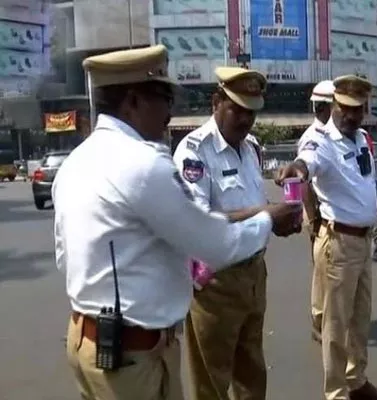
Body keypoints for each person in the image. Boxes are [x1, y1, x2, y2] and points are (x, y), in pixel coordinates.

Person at [54, 45, 299, 400]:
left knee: (249, 368)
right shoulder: (144, 164)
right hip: (132, 352)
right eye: (164, 97)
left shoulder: (77, 161)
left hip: (93, 339)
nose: (170, 112)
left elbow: (65, 256)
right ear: (133, 101)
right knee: (212, 381)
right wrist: (267, 219)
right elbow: (213, 242)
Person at [172, 67, 298, 400]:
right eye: (238, 109)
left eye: (252, 112)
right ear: (217, 102)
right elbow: (198, 219)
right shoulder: (193, 151)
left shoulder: (252, 147)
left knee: (252, 374)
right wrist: (267, 214)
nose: (245, 120)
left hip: (254, 273)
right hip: (216, 282)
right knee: (212, 383)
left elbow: (250, 205)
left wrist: (277, 219)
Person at [276, 75, 377, 400]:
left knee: (360, 319)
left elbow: (363, 183)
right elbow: (307, 163)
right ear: (334, 106)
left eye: (359, 110)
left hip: (363, 241)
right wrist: (297, 171)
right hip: (339, 243)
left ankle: (356, 381)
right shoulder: (321, 142)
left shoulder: (360, 139)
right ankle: (337, 393)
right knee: (335, 326)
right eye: (347, 109)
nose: (353, 116)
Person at [298, 79, 335, 344]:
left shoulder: (333, 134)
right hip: (318, 212)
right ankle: (319, 320)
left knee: (330, 269)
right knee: (322, 270)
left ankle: (330, 316)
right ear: (325, 108)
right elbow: (304, 181)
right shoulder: (314, 137)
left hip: (331, 213)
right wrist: (312, 219)